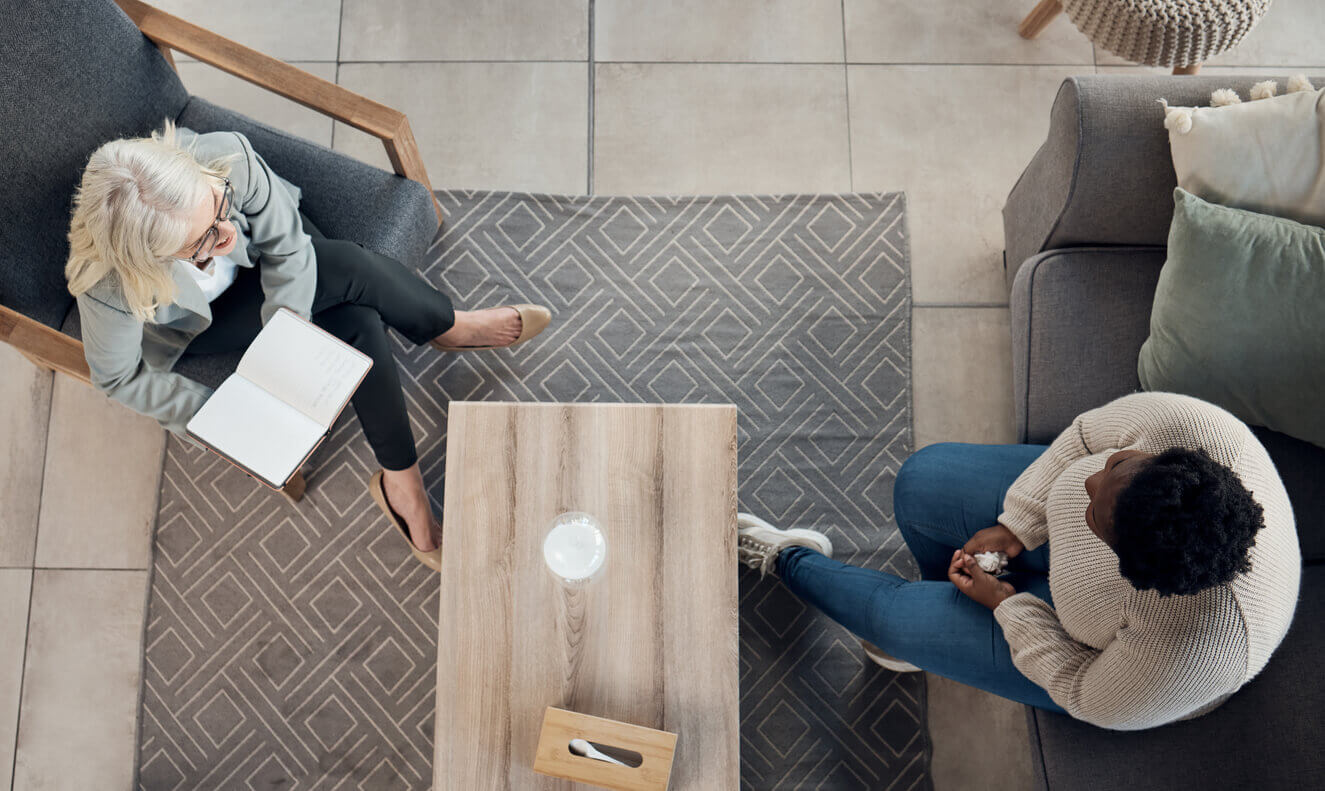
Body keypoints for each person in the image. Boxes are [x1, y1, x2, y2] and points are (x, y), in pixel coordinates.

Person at [65, 121, 551, 571]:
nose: (227, 231)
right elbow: (117, 377)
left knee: (349, 294)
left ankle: (402, 476)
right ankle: (442, 335)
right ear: (155, 262)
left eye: (219, 206)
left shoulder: (222, 157)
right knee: (355, 309)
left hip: (277, 255)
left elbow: (288, 244)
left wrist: (287, 336)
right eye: (205, 241)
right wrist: (222, 417)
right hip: (207, 320)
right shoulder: (111, 289)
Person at [737, 392, 1300, 730]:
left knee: (892, 620)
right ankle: (939, 605)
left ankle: (790, 558)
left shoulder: (1187, 654)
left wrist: (1007, 606)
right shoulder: (1198, 431)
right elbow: (1084, 440)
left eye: (1093, 514)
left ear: (1126, 562)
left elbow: (1084, 693)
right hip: (1110, 560)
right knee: (921, 481)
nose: (1092, 478)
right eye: (1118, 465)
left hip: (1093, 657)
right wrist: (1018, 522)